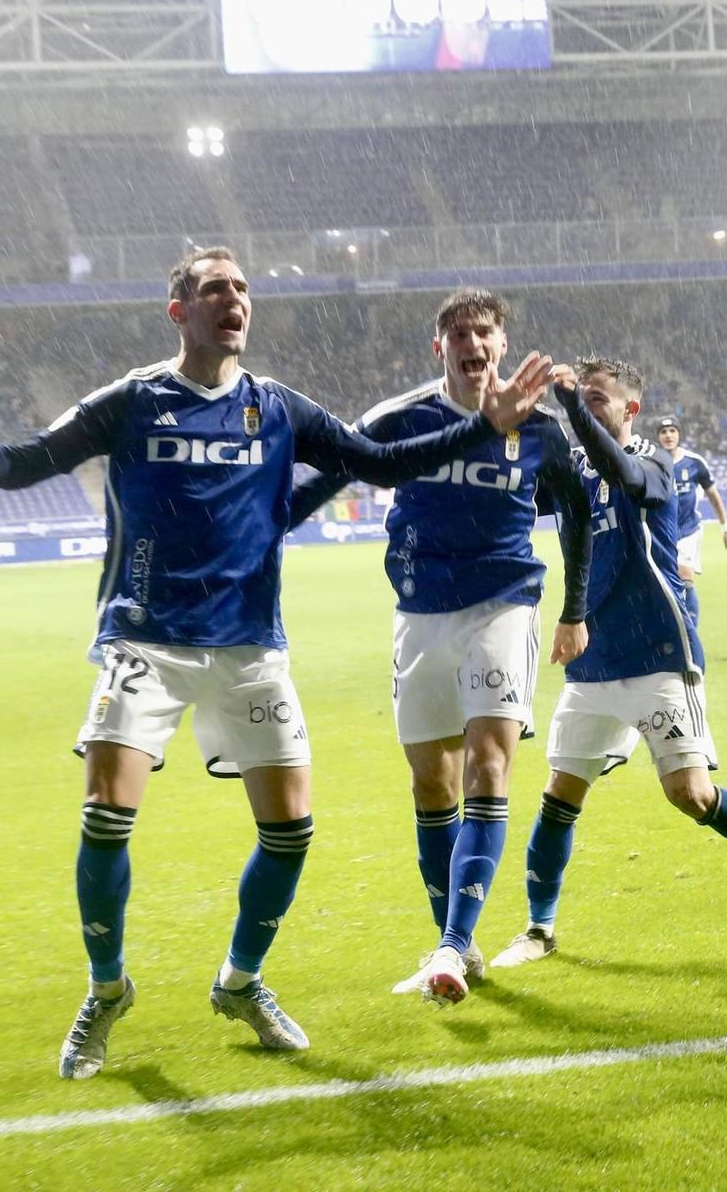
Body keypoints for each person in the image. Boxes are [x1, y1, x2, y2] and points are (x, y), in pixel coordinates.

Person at [0, 246, 551, 1074]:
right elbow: (20, 464)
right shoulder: (134, 401)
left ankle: (241, 981)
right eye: (216, 288)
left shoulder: (278, 407)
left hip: (249, 644)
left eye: (244, 287)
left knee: (291, 830)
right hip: (144, 635)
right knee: (107, 807)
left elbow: (381, 461)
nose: (236, 299)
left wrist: (485, 424)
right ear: (179, 309)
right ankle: (105, 991)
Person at [286, 289, 593, 1006]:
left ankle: (452, 943)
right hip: (421, 613)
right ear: (440, 347)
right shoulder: (400, 418)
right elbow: (333, 471)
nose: (473, 342)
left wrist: (573, 612)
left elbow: (575, 509)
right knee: (432, 783)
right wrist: (259, 527)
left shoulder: (540, 431)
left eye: (485, 331)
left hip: (504, 605)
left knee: (490, 762)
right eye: (459, 332)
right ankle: (455, 941)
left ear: (502, 344)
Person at [487, 357, 727, 972]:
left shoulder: (656, 463)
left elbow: (621, 471)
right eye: (584, 397)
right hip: (592, 660)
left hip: (657, 655)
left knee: (692, 796)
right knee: (558, 796)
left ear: (630, 410)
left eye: (598, 399)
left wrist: (568, 402)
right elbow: (518, 486)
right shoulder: (572, 470)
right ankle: (540, 929)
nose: (586, 407)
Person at [654, 416, 727, 624]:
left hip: (688, 530)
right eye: (664, 432)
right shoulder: (651, 462)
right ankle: (673, 625)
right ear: (658, 437)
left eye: (672, 431)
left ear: (679, 434)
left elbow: (713, 495)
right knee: (664, 584)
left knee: (685, 576)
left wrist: (726, 527)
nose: (668, 435)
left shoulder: (694, 462)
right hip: (661, 532)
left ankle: (691, 632)